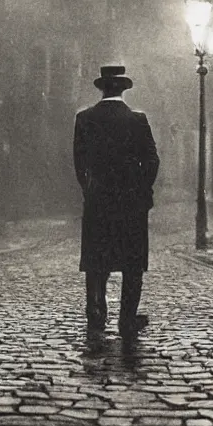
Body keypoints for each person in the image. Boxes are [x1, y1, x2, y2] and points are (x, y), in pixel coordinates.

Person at [73, 65, 160, 338]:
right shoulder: (138, 120)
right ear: (123, 89)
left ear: (102, 88)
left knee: (96, 261)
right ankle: (127, 319)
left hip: (98, 202)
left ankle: (96, 315)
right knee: (132, 263)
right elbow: (152, 160)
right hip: (131, 204)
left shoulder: (84, 118)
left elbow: (79, 163)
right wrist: (141, 190)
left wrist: (89, 190)